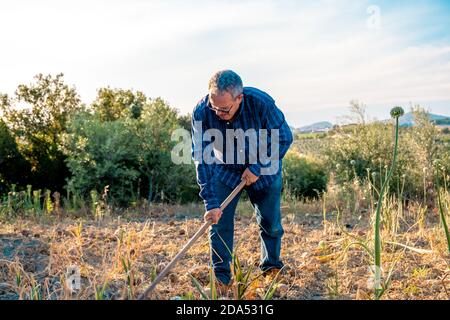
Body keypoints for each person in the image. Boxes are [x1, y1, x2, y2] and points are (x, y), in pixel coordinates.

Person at [191, 70, 293, 289]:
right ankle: (221, 277)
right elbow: (201, 157)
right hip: (225, 171)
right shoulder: (202, 112)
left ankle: (271, 267)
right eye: (214, 106)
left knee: (270, 224)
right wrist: (210, 202)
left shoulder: (261, 103)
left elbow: (284, 137)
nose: (217, 113)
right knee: (218, 225)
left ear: (239, 98)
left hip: (264, 170)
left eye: (224, 108)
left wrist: (258, 166)